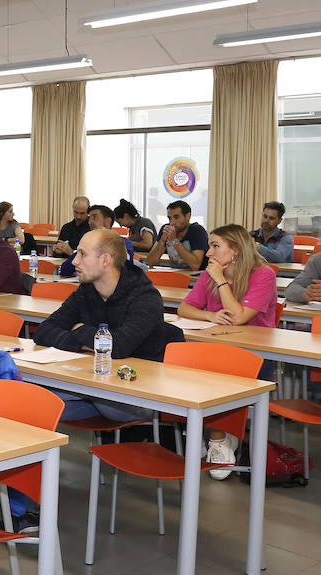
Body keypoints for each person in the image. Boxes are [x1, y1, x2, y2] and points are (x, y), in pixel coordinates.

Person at [35, 229, 176, 424]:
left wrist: (79, 328)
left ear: (105, 260)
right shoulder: (86, 291)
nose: (75, 261)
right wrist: (84, 342)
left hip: (140, 393)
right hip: (98, 383)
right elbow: (43, 331)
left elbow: (118, 347)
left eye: (83, 254)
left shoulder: (146, 298)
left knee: (66, 398)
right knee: (40, 402)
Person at [176, 224, 278, 476]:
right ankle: (215, 435)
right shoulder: (208, 275)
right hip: (217, 347)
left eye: (215, 246)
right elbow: (184, 309)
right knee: (180, 367)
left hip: (255, 356)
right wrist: (210, 315)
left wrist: (221, 280)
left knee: (210, 374)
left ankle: (218, 439)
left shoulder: (263, 275)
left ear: (236, 251)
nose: (209, 253)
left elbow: (238, 317)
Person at [57, 205, 134, 277]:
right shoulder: (89, 243)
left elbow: (122, 270)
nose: (90, 222)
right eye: (89, 218)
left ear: (108, 221)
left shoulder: (123, 242)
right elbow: (63, 270)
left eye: (94, 217)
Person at [146, 200, 209, 271]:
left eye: (176, 217)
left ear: (188, 216)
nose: (172, 222)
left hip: (196, 278)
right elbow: (150, 262)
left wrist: (174, 240)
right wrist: (162, 241)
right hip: (175, 274)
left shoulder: (197, 231)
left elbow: (195, 265)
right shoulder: (166, 229)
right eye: (169, 218)